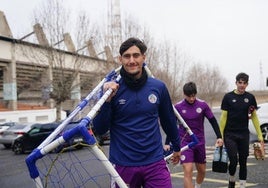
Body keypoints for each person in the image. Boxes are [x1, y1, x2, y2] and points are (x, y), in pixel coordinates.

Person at [93, 37, 181, 188]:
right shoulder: (111, 89)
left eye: (136, 55)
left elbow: (168, 120)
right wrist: (106, 100)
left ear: (143, 57)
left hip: (155, 163)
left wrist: (177, 146)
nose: (132, 60)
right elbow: (100, 129)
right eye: (127, 56)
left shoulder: (158, 87)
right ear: (120, 59)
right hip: (123, 165)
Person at [164, 82, 223, 188]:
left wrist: (219, 136)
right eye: (189, 96)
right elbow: (172, 126)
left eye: (193, 96)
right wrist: (167, 142)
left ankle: (197, 185)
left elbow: (213, 121)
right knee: (188, 170)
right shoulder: (178, 107)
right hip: (185, 142)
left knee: (202, 171)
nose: (191, 99)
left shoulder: (203, 105)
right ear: (184, 94)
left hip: (199, 141)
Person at [219, 72, 264, 188]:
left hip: (244, 134)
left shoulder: (250, 98)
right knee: (233, 160)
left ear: (247, 84)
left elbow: (254, 117)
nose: (242, 85)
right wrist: (220, 136)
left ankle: (242, 185)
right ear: (236, 83)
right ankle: (232, 178)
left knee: (243, 162)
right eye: (240, 82)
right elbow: (223, 117)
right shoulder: (228, 97)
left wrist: (260, 135)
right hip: (230, 134)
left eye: (244, 83)